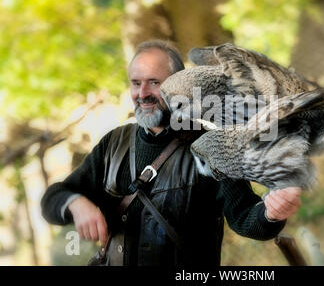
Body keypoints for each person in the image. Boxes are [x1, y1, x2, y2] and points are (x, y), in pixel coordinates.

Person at [41, 40, 302, 266]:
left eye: (154, 83)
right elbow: (53, 199)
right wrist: (75, 203)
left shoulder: (213, 144)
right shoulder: (114, 143)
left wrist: (271, 212)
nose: (142, 94)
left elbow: (245, 217)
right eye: (136, 83)